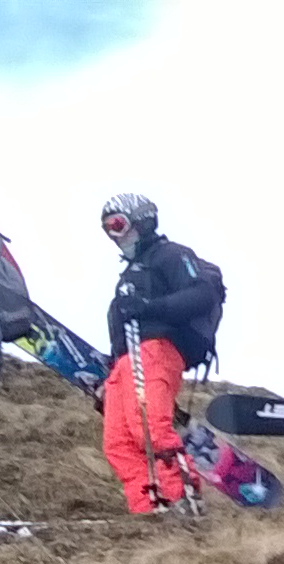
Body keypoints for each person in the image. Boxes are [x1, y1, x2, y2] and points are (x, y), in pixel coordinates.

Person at [98, 193, 222, 515]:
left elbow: (202, 293)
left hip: (156, 349)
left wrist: (151, 308)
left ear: (142, 221)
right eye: (108, 229)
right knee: (119, 442)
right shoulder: (131, 273)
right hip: (125, 361)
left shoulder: (169, 255)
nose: (115, 236)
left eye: (119, 225)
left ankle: (183, 498)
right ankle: (149, 508)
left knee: (150, 427)